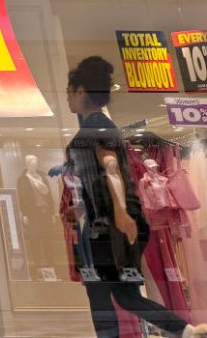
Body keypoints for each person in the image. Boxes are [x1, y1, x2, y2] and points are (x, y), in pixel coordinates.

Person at [64, 56, 207, 338]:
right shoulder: (97, 126)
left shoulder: (97, 127)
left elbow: (111, 168)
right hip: (107, 222)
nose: (68, 99)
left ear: (81, 91)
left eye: (69, 92)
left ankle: (183, 330)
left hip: (109, 226)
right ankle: (187, 330)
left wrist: (120, 214)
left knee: (102, 296)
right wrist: (81, 209)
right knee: (124, 294)